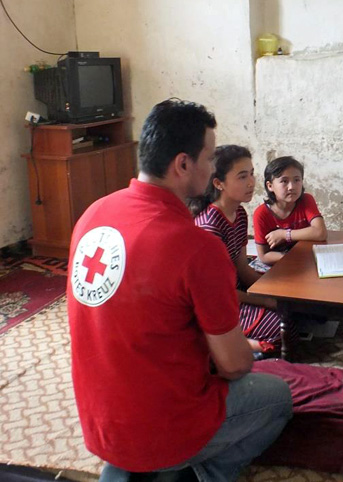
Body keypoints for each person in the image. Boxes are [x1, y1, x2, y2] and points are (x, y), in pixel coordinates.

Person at [67, 99, 292, 481]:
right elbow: (235, 365)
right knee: (277, 396)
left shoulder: (93, 215)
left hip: (98, 423)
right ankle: (197, 473)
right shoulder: (196, 246)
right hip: (160, 427)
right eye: (209, 157)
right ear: (183, 164)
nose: (213, 165)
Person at [190, 145, 294, 355]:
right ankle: (220, 344)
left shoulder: (238, 213)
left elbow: (242, 267)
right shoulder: (209, 227)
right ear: (218, 183)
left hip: (234, 289)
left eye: (252, 174)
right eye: (242, 176)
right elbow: (219, 292)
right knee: (281, 326)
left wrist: (275, 293)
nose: (251, 182)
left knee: (294, 296)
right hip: (216, 302)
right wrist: (268, 301)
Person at [252, 156, 327, 265]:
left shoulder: (306, 200)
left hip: (305, 260)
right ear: (270, 186)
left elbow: (320, 233)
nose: (291, 187)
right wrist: (289, 257)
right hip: (280, 264)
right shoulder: (261, 213)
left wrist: (284, 235)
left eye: (297, 180)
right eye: (284, 181)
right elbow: (264, 256)